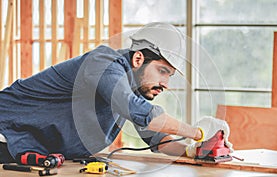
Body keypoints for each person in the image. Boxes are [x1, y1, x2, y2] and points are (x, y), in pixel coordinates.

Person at [0, 22, 233, 164]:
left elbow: (159, 142)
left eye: (169, 75)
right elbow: (136, 110)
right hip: (4, 136)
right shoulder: (102, 64)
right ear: (138, 58)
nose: (165, 84)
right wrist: (198, 132)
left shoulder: (136, 88)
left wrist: (196, 150)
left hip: (28, 153)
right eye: (162, 71)